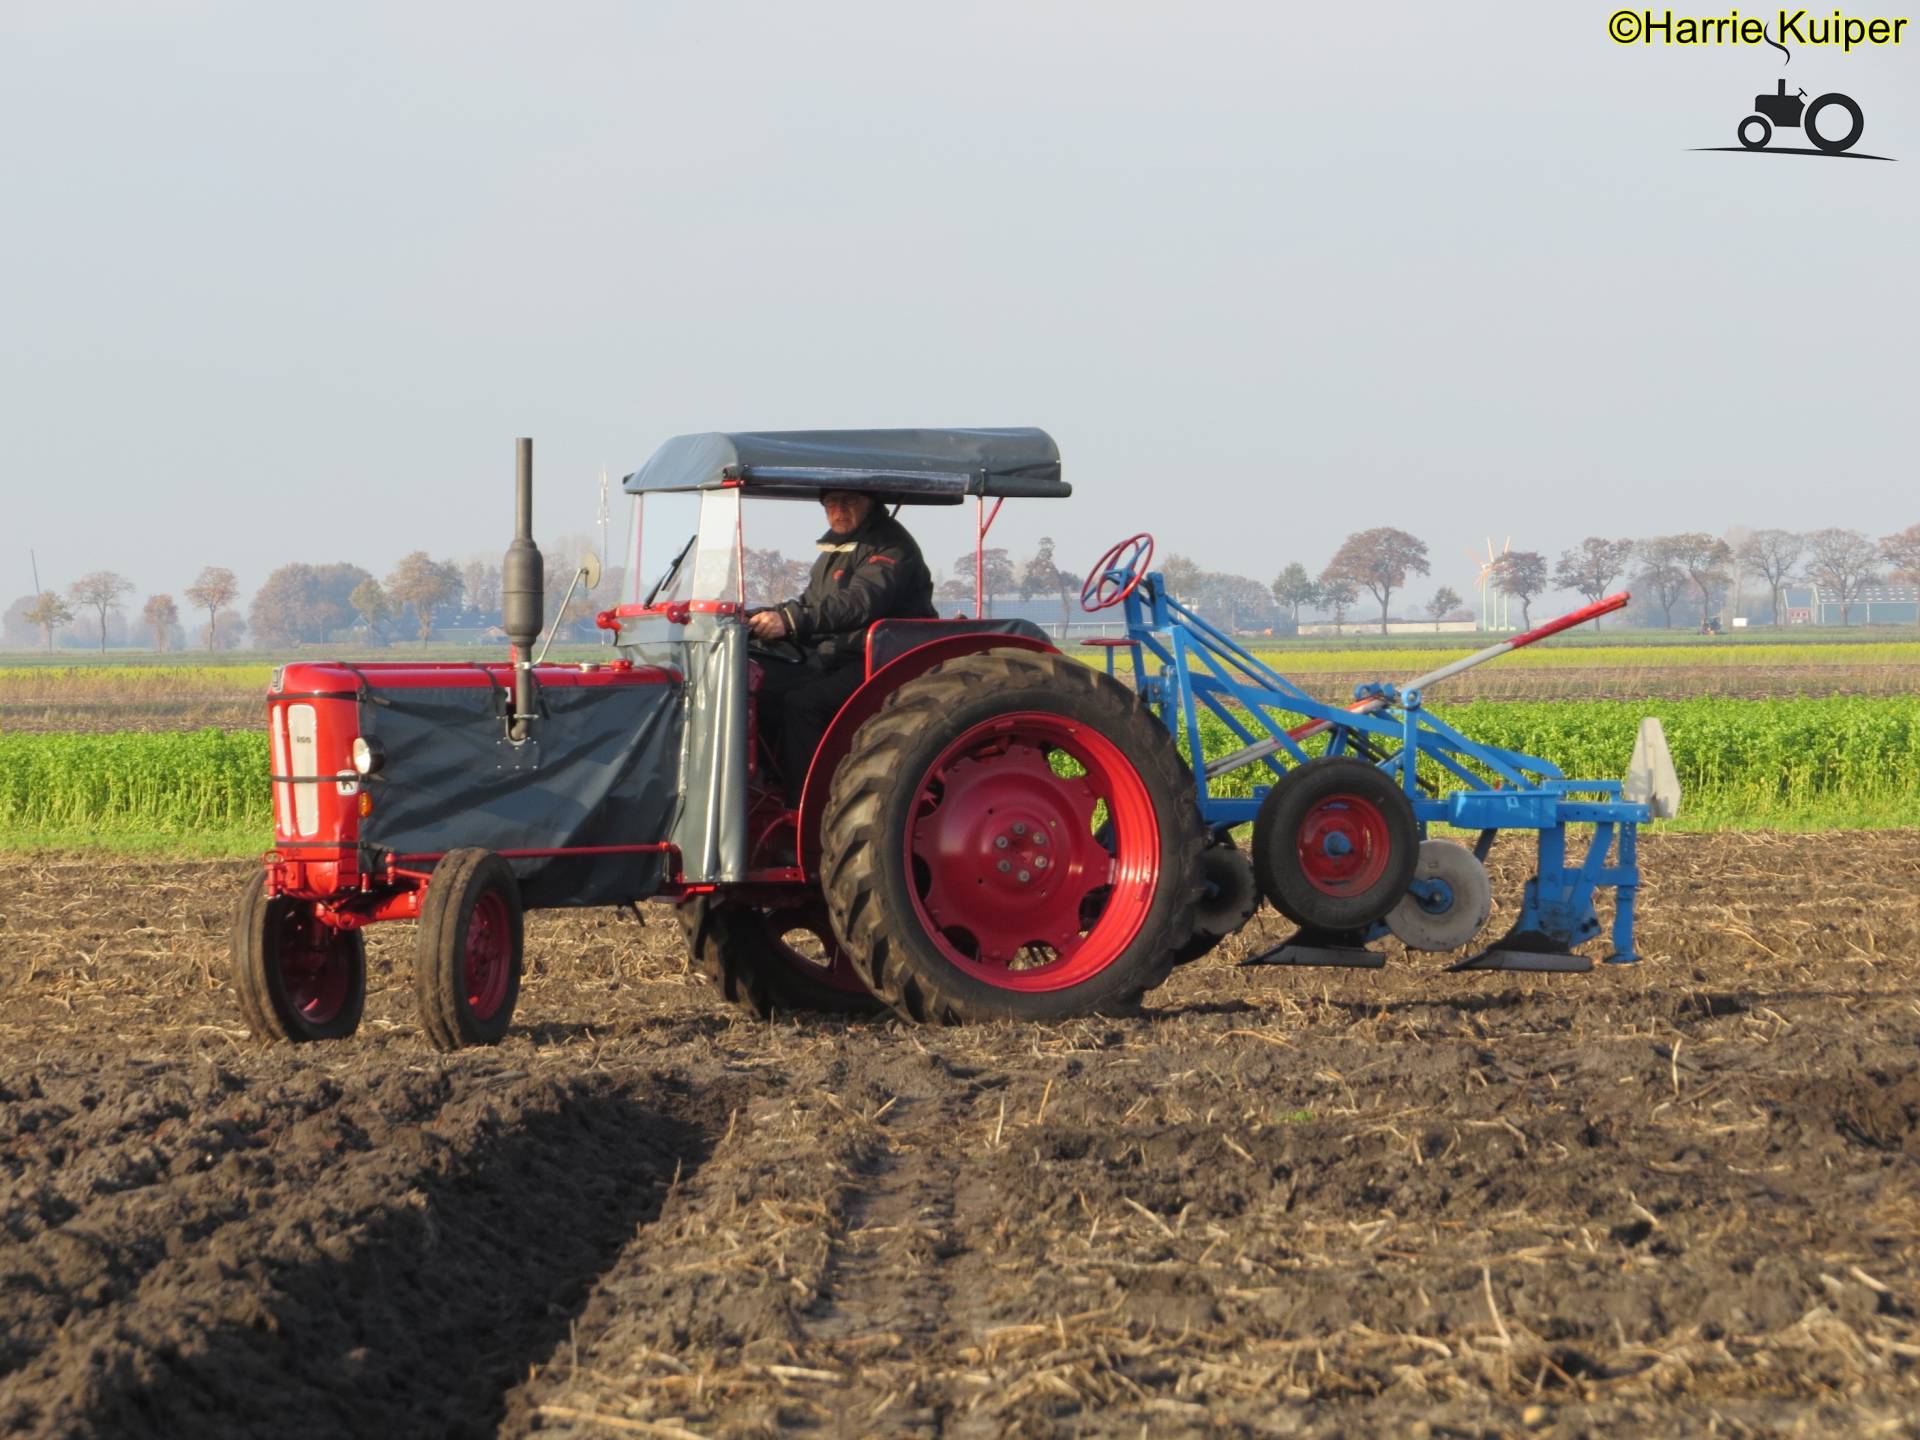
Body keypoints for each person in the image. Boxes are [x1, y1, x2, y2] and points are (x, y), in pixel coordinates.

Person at [746, 488, 937, 802]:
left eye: (849, 502)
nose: (838, 510)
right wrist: (754, 617)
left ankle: (807, 806)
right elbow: (812, 603)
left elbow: (857, 603)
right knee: (760, 687)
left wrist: (790, 621)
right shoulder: (836, 548)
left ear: (870, 503)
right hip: (837, 654)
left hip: (881, 660)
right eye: (831, 503)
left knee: (803, 703)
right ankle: (763, 792)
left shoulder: (891, 546)